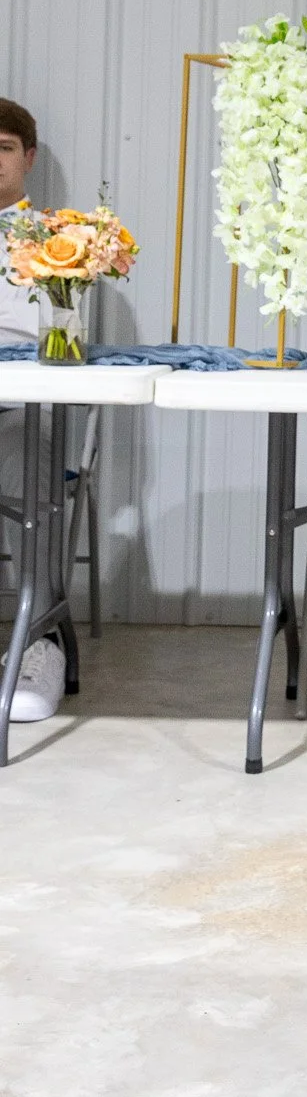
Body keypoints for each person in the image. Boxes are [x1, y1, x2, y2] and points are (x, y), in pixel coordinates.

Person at [0, 99, 64, 724]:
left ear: (28, 157)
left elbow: (66, 337)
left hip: (22, 405)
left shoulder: (60, 241)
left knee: (29, 454)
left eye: (3, 148)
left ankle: (37, 642)